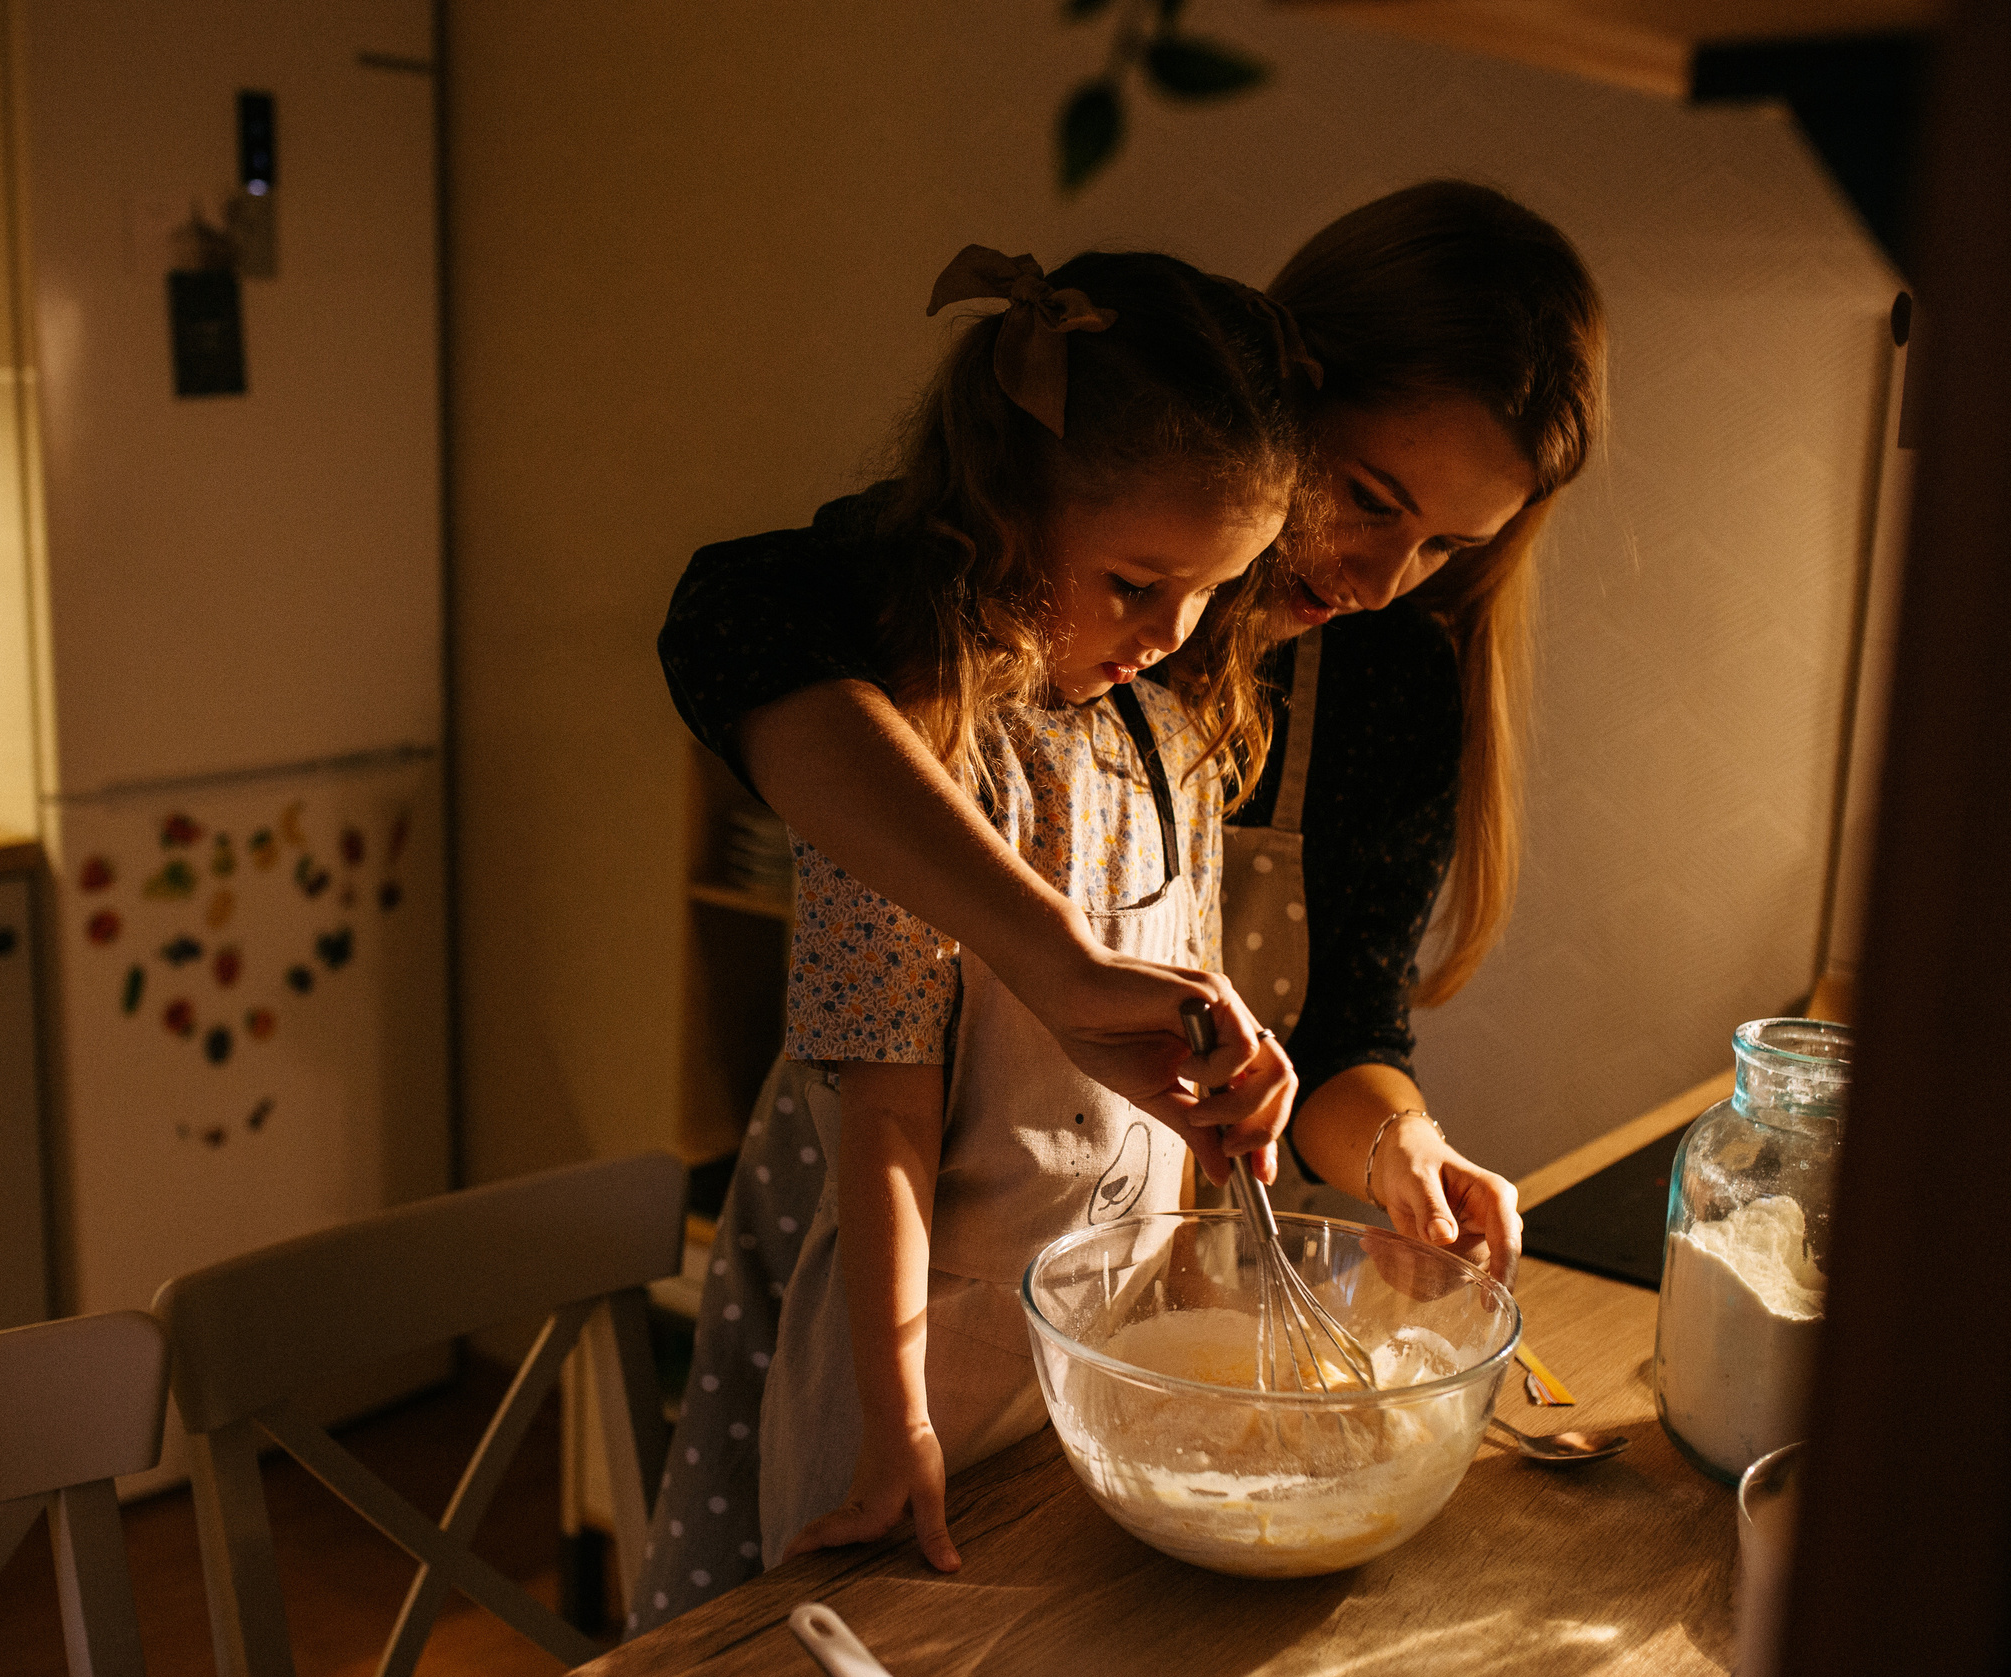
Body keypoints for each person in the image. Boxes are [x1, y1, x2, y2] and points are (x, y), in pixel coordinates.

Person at [658, 180, 1608, 1283]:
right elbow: (730, 626)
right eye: (1369, 498)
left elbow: (1344, 1038)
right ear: (1279, 398)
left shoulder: (1390, 682)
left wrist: (1405, 1146)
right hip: (885, 1263)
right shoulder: (1006, 576)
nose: (1383, 583)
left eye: (1447, 546)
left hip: (1117, 1274)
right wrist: (1054, 960)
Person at [632, 243, 1311, 1630]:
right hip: (918, 1388)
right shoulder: (912, 760)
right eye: (1132, 582)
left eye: (1205, 592)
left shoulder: (1169, 739)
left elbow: (1161, 1058)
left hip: (1090, 1373)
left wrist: (1225, 1112)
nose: (1171, 630)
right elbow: (881, 1119)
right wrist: (894, 1427)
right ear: (1012, 506)